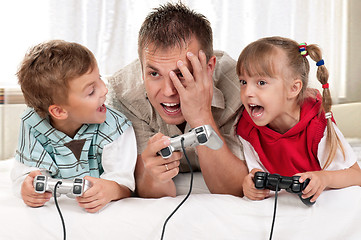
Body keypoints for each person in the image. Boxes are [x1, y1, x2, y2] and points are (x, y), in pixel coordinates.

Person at [107, 2, 248, 198]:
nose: (168, 91)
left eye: (181, 74)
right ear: (141, 69)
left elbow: (235, 189)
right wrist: (153, 175)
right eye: (155, 74)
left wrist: (201, 117)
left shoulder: (240, 87)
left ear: (208, 68)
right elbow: (148, 190)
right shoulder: (124, 95)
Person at [11, 40, 137, 213]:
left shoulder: (115, 127)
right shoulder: (32, 124)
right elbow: (26, 173)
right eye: (91, 91)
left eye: (99, 78)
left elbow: (125, 183)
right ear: (59, 111)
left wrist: (111, 189)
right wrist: (28, 188)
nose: (104, 90)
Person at [236, 36, 361, 203]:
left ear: (293, 88)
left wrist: (324, 178)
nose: (248, 92)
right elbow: (255, 172)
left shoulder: (318, 126)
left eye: (261, 82)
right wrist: (249, 185)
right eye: (243, 82)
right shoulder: (247, 128)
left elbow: (356, 176)